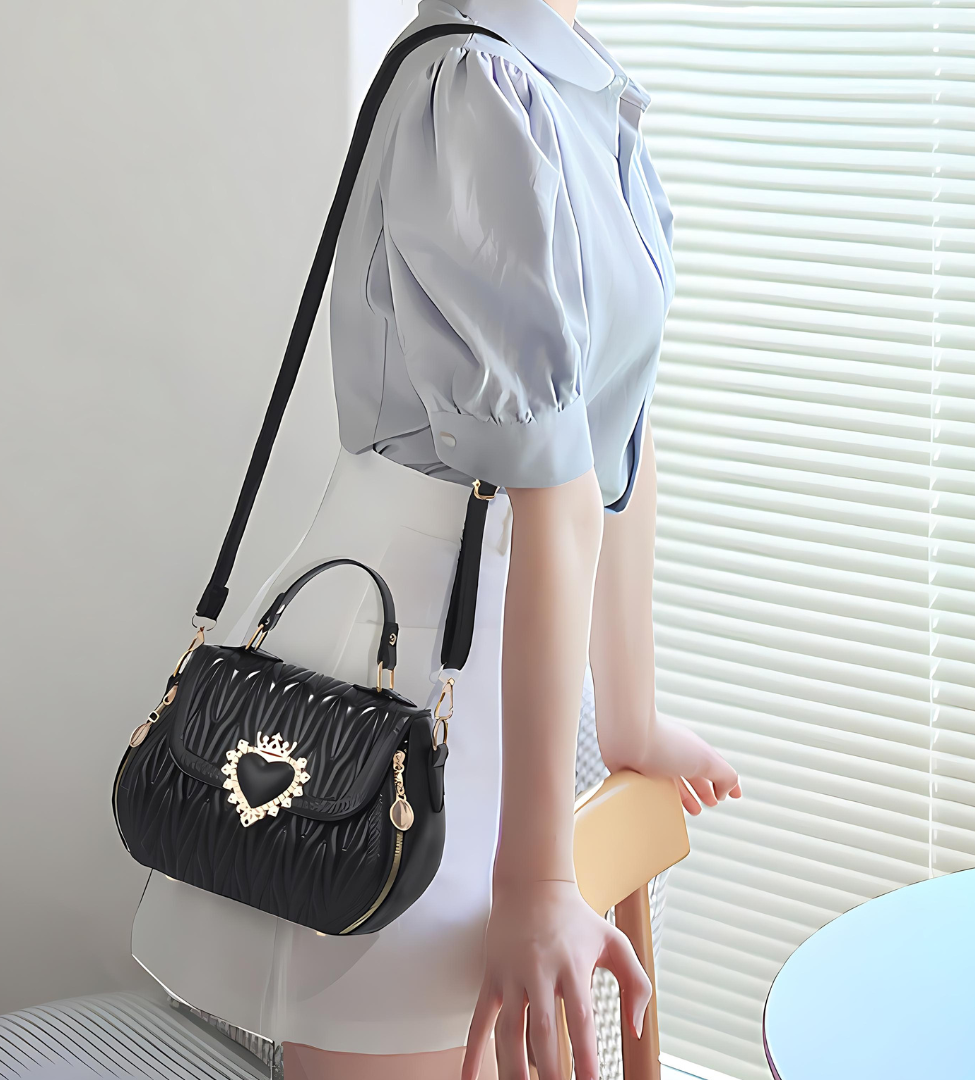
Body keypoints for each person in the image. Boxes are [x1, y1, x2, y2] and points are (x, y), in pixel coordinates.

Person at [130, 1, 741, 1078]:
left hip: (505, 658)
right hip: (399, 657)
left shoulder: (581, 85)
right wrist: (537, 879)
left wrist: (632, 718)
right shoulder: (473, 87)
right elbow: (552, 489)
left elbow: (614, 446)